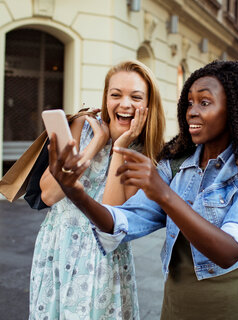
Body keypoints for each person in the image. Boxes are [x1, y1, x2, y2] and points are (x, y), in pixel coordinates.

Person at [48, 60, 238, 319]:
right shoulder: (176, 165)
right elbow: (122, 222)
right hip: (178, 300)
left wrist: (164, 195)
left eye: (205, 102)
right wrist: (77, 194)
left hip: (230, 302)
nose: (192, 111)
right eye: (189, 103)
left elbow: (228, 251)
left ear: (233, 110)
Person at [29, 60, 165, 319]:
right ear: (106, 98)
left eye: (135, 97)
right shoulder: (81, 126)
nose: (124, 104)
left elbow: (110, 218)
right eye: (116, 95)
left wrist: (118, 148)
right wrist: (94, 146)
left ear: (148, 107)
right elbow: (48, 194)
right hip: (57, 247)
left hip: (102, 260)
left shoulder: (143, 156)